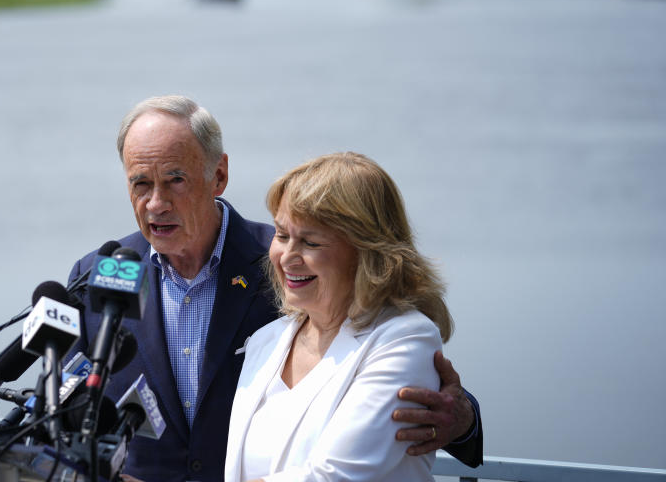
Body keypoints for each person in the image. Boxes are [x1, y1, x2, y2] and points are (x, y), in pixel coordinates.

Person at [67, 96, 482, 482]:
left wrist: (463, 422)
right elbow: (62, 411)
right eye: (140, 183)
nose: (156, 203)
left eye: (175, 180)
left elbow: (402, 383)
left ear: (219, 175)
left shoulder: (289, 268)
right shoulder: (101, 274)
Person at [224, 152, 456, 481]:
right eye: (282, 235)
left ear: (365, 251)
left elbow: (334, 475)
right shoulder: (268, 339)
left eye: (310, 242)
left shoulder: (405, 339)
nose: (288, 257)